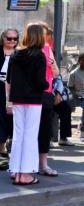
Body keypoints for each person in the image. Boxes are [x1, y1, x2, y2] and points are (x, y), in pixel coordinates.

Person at [6, 22, 49, 185]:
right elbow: (40, 82)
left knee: (18, 136)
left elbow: (9, 79)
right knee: (30, 137)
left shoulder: (15, 54)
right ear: (39, 37)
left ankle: (16, 171)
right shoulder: (39, 55)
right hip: (33, 101)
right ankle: (25, 174)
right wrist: (47, 85)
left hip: (17, 99)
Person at [37, 24, 59, 177]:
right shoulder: (24, 50)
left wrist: (51, 65)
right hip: (29, 95)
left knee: (45, 130)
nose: (47, 37)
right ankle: (26, 165)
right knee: (29, 132)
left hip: (46, 94)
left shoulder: (47, 49)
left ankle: (43, 164)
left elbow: (56, 73)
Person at [0, 28, 18, 158]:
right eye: (9, 38)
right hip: (0, 86)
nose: (12, 41)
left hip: (15, 89)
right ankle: (1, 147)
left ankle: (7, 144)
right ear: (3, 38)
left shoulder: (20, 53)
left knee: (10, 119)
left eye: (15, 38)